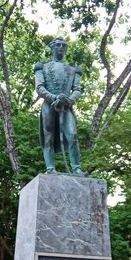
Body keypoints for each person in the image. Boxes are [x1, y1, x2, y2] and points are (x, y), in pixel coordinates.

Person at [34, 37, 87, 176]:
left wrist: (68, 101)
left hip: (66, 106)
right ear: (52, 47)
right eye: (58, 45)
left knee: (72, 135)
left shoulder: (73, 70)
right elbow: (39, 87)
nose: (61, 47)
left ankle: (76, 168)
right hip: (48, 105)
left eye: (64, 45)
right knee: (48, 138)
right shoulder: (42, 67)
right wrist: (54, 98)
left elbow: (77, 89)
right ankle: (50, 169)